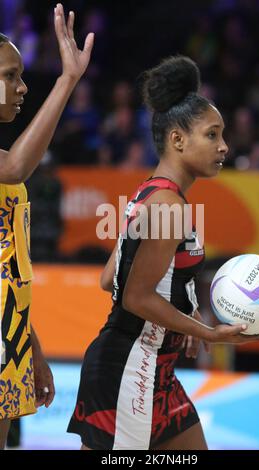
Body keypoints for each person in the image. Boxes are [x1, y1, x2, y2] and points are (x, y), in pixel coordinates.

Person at [67, 56, 259, 450]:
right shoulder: (168, 206)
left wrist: (183, 314)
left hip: (155, 371)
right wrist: (206, 331)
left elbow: (109, 278)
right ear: (178, 140)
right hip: (128, 369)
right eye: (212, 135)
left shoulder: (152, 194)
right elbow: (134, 295)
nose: (224, 146)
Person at [0, 3, 94, 449]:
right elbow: (17, 166)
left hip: (8, 334)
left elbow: (8, 270)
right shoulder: (8, 166)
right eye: (8, 76)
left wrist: (31, 347)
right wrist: (67, 80)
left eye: (20, 75)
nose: (20, 87)